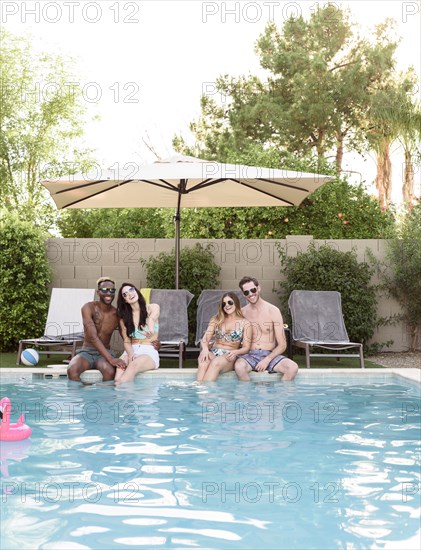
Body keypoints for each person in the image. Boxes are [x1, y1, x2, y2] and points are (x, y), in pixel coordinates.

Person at [234, 276, 299, 381]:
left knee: (292, 368)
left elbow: (282, 345)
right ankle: (247, 394)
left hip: (270, 354)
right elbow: (233, 337)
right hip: (249, 355)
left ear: (258, 288)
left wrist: (267, 360)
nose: (250, 294)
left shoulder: (273, 311)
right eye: (246, 292)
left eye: (253, 290)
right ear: (243, 295)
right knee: (239, 367)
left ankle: (280, 396)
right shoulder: (242, 313)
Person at [67, 277, 126, 381]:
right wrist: (111, 359)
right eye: (105, 290)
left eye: (112, 290)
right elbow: (93, 337)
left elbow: (126, 337)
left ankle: (102, 396)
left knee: (109, 372)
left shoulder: (117, 314)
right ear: (98, 292)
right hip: (86, 352)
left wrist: (150, 342)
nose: (109, 293)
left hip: (104, 354)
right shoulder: (88, 307)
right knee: (72, 370)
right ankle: (85, 394)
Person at [197, 292, 252, 382]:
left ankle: (204, 391)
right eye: (224, 304)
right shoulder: (216, 319)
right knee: (203, 362)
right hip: (214, 351)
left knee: (216, 363)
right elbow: (205, 339)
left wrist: (236, 352)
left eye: (230, 302)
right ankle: (199, 390)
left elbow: (246, 348)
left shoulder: (245, 323)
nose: (227, 305)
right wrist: (205, 350)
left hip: (229, 355)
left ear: (236, 303)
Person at [115, 283, 160, 385]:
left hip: (148, 350)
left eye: (131, 290)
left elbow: (153, 318)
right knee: (120, 370)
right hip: (131, 349)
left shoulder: (152, 307)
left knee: (133, 365)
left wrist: (151, 328)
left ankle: (123, 395)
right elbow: (126, 341)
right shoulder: (124, 318)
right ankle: (121, 395)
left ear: (136, 291)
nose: (129, 294)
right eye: (125, 294)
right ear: (124, 300)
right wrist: (130, 354)